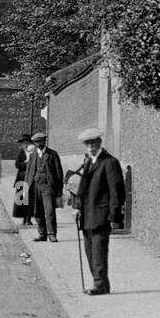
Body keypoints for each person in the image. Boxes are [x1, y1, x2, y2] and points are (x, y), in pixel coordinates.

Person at [76, 127, 125, 296]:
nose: (91, 147)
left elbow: (116, 191)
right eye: (87, 144)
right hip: (87, 215)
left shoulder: (109, 162)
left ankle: (101, 285)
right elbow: (84, 189)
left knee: (98, 252)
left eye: (94, 143)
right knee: (90, 252)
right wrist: (78, 208)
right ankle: (98, 282)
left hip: (101, 215)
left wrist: (114, 216)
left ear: (100, 143)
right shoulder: (89, 162)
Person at [23, 131, 64, 243]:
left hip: (48, 186)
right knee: (37, 211)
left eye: (40, 141)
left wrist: (59, 190)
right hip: (35, 186)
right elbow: (28, 172)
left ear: (44, 141)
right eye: (36, 142)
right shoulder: (32, 155)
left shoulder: (52, 154)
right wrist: (25, 187)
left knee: (49, 210)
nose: (38, 144)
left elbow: (59, 173)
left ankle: (52, 234)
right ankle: (42, 234)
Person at [13, 133, 34, 225]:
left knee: (30, 199)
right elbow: (17, 164)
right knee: (21, 199)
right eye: (23, 143)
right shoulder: (21, 153)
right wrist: (26, 164)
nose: (25, 144)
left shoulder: (34, 152)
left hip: (31, 178)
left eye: (26, 142)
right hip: (21, 178)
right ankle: (23, 219)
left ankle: (29, 218)